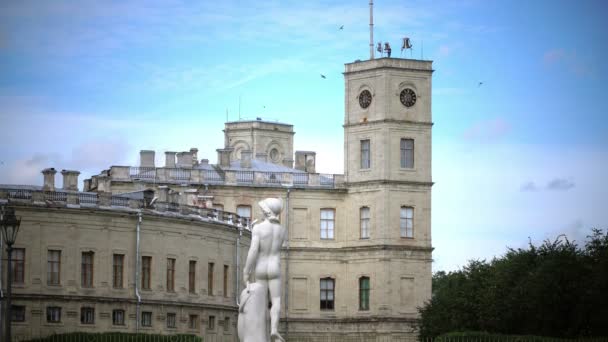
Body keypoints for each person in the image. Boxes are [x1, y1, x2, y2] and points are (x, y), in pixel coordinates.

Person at [242, 198, 286, 342]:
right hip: (275, 267)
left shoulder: (258, 228)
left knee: (260, 303)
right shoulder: (282, 230)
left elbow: (253, 250)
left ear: (267, 211)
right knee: (276, 300)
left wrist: (246, 271)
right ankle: (274, 329)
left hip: (261, 267)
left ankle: (260, 334)